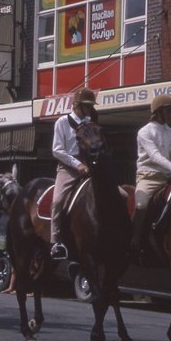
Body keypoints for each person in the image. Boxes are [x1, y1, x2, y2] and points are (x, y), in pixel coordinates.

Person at [129, 94, 171, 260]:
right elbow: (154, 155)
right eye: (169, 110)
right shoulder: (144, 132)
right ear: (158, 112)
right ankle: (134, 241)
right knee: (141, 204)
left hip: (167, 178)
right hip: (148, 177)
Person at [49, 88, 96, 261]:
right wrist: (77, 165)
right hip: (68, 167)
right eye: (87, 106)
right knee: (57, 201)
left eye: (91, 107)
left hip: (89, 166)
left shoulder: (90, 123)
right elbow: (57, 150)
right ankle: (55, 241)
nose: (90, 110)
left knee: (118, 193)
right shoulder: (62, 122)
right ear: (77, 106)